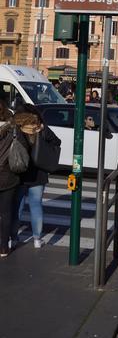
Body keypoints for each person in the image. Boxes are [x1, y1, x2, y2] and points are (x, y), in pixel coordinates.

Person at [10, 107, 61, 249]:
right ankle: (37, 239)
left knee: (17, 206)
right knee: (36, 205)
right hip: (39, 173)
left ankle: (13, 237)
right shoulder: (41, 128)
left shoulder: (18, 128)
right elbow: (57, 142)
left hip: (20, 172)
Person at [0, 103, 28, 257]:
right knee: (6, 212)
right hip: (8, 175)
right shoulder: (13, 129)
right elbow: (23, 148)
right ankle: (3, 247)